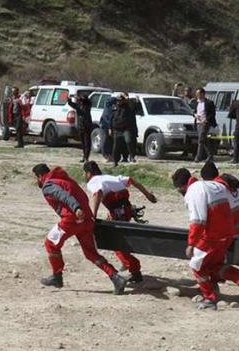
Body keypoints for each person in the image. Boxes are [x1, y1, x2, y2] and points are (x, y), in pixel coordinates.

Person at [32, 163, 128, 294]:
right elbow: (82, 195)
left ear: (40, 176)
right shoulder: (66, 180)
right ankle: (116, 277)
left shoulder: (48, 185)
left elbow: (62, 195)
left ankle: (57, 276)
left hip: (71, 220)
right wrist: (83, 213)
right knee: (91, 253)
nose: (36, 181)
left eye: (36, 178)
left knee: (50, 244)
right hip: (86, 220)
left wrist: (76, 208)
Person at [172, 167, 239, 310]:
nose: (180, 193)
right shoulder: (214, 185)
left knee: (196, 265)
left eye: (179, 190)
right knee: (214, 266)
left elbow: (198, 220)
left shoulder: (194, 191)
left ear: (182, 186)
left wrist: (191, 243)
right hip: (227, 232)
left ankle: (210, 298)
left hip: (212, 236)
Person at [83, 161, 158, 283]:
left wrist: (93, 216)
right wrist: (148, 195)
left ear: (88, 173)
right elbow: (132, 181)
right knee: (118, 240)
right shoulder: (110, 178)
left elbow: (97, 194)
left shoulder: (93, 181)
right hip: (127, 210)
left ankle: (134, 269)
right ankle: (127, 263)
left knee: (116, 244)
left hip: (118, 212)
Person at [109, 92, 137, 166]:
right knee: (116, 146)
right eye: (118, 100)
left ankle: (132, 156)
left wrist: (127, 99)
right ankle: (115, 162)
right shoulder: (115, 107)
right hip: (117, 130)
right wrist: (109, 128)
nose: (119, 101)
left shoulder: (128, 107)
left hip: (125, 129)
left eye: (120, 100)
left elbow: (134, 105)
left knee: (128, 141)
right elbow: (111, 118)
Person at [193, 88, 217, 163]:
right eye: (196, 94)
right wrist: (195, 115)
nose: (197, 95)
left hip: (205, 123)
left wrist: (206, 120)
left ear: (203, 94)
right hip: (198, 123)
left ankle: (198, 157)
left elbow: (212, 113)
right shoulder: (196, 102)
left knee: (200, 140)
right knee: (204, 140)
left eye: (199, 94)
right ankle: (210, 155)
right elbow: (193, 111)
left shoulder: (209, 102)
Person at [67, 92, 93, 162]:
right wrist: (69, 99)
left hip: (87, 126)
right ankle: (84, 157)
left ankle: (86, 157)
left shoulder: (87, 104)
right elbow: (72, 104)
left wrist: (80, 98)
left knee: (87, 143)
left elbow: (86, 102)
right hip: (80, 126)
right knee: (83, 143)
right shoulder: (79, 105)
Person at [99, 95, 114, 163]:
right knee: (104, 141)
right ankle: (106, 156)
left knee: (110, 142)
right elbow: (107, 118)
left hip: (110, 126)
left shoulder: (111, 108)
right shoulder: (108, 107)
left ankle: (110, 156)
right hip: (105, 126)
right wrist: (109, 128)